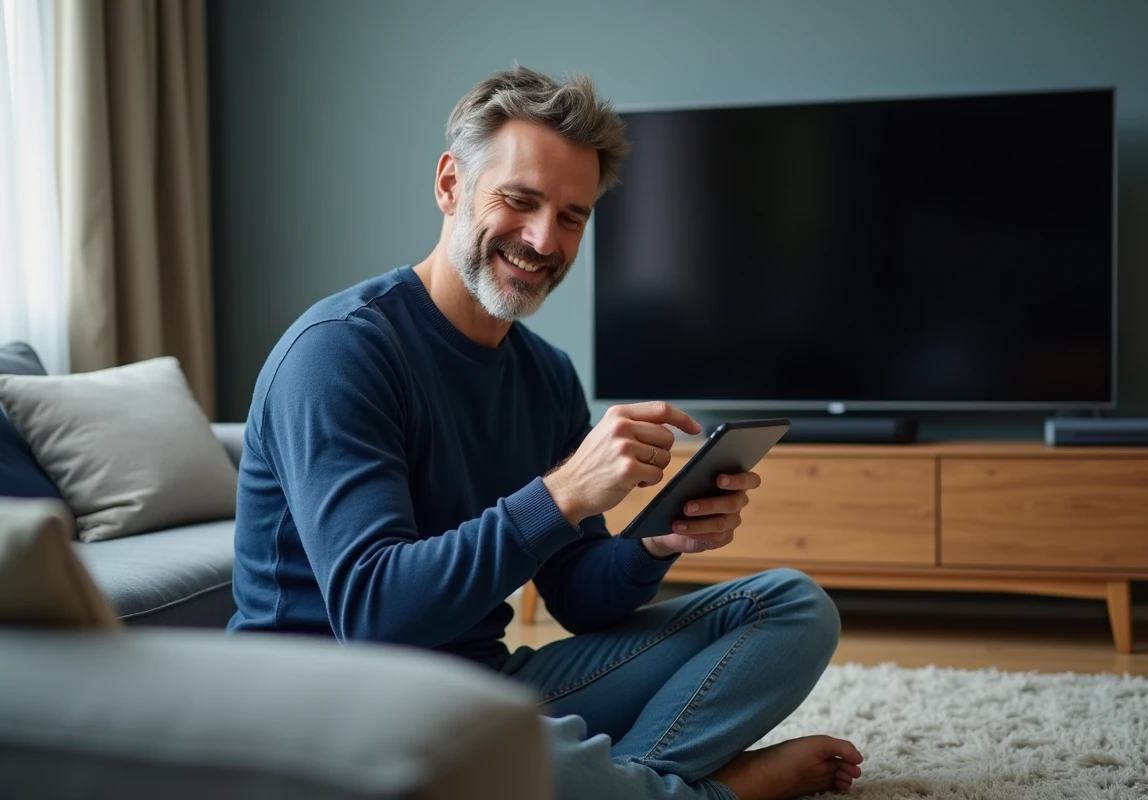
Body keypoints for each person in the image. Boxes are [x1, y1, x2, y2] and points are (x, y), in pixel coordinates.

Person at [227, 64, 863, 800]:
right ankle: (712, 789)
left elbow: (579, 598)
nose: (542, 240)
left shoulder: (546, 374)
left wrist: (655, 542)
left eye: (572, 216)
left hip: (477, 689)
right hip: (331, 706)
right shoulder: (340, 353)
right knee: (542, 766)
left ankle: (619, 782)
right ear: (449, 185)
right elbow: (375, 615)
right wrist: (559, 494)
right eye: (520, 202)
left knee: (791, 606)